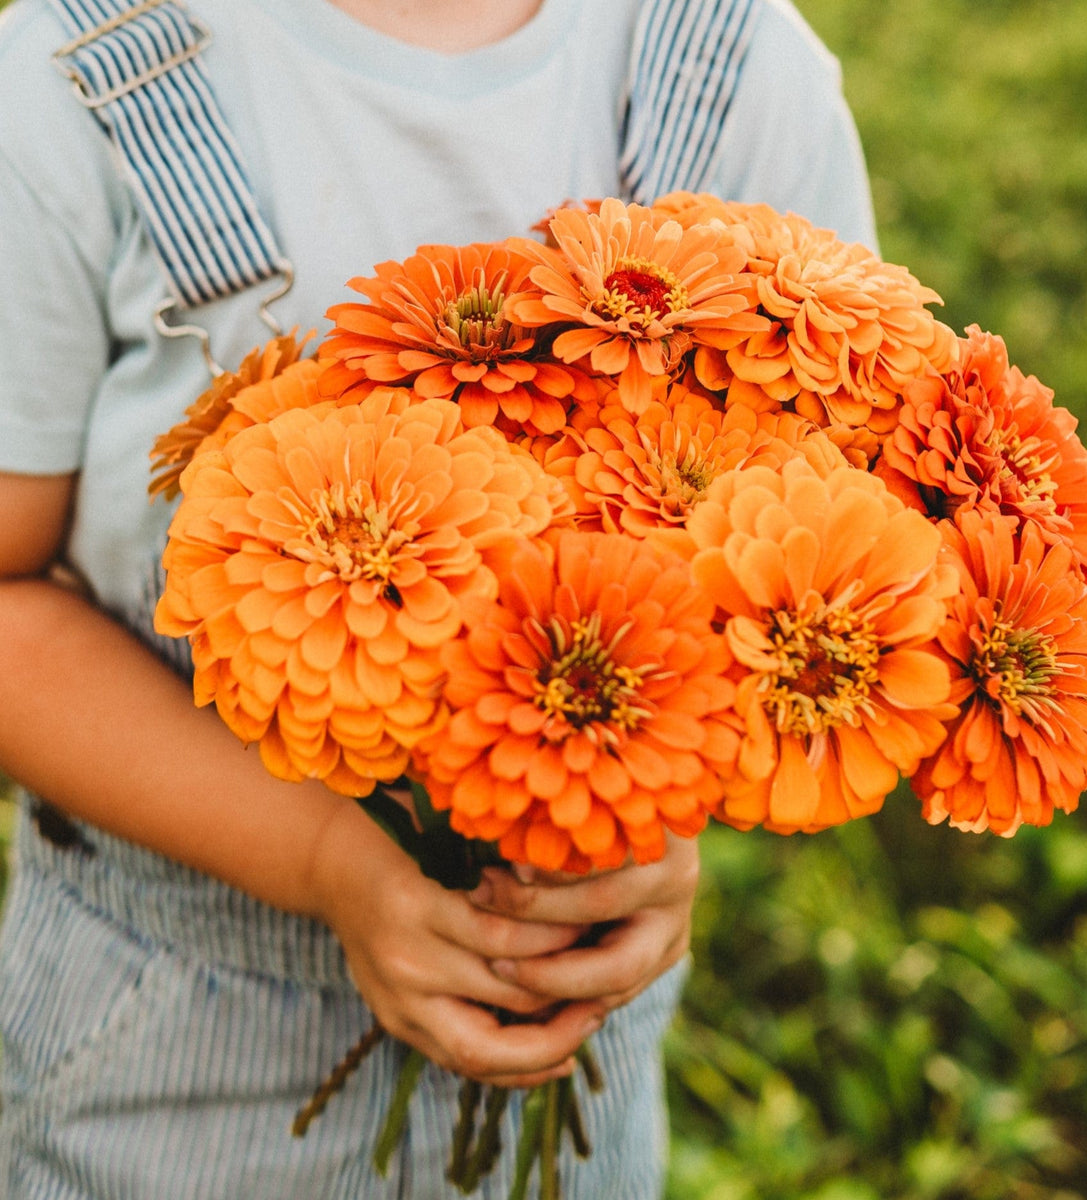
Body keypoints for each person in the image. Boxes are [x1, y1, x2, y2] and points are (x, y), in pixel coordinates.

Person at [0, 0, 877, 1195]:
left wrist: (646, 821)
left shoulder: (733, 73)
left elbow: (833, 551)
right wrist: (324, 856)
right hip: (159, 1055)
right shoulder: (68, 80)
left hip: (572, 1022)